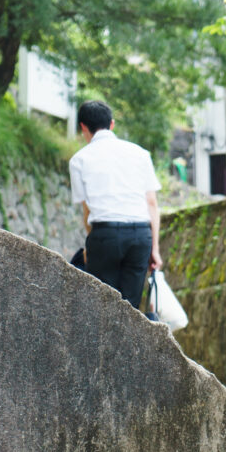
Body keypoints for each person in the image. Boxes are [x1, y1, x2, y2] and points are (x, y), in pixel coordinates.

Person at [69, 100, 162, 309]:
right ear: (112, 124)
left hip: (105, 235)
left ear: (83, 127)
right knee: (131, 309)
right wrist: (154, 248)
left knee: (102, 307)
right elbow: (152, 204)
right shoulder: (140, 154)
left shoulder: (79, 159)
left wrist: (91, 241)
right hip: (140, 236)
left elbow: (87, 210)